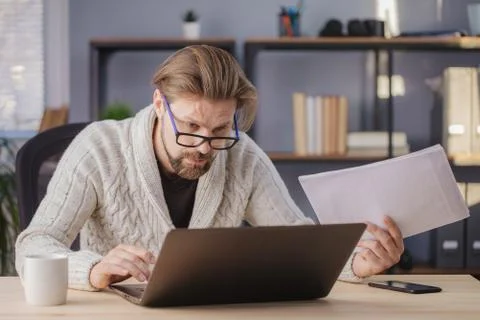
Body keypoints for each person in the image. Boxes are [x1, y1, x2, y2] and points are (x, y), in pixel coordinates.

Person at [15, 45, 404, 291]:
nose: (204, 146)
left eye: (220, 129)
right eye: (189, 127)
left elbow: (296, 242)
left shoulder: (242, 156)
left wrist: (356, 263)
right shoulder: (99, 148)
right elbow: (33, 245)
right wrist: (95, 268)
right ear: (157, 103)